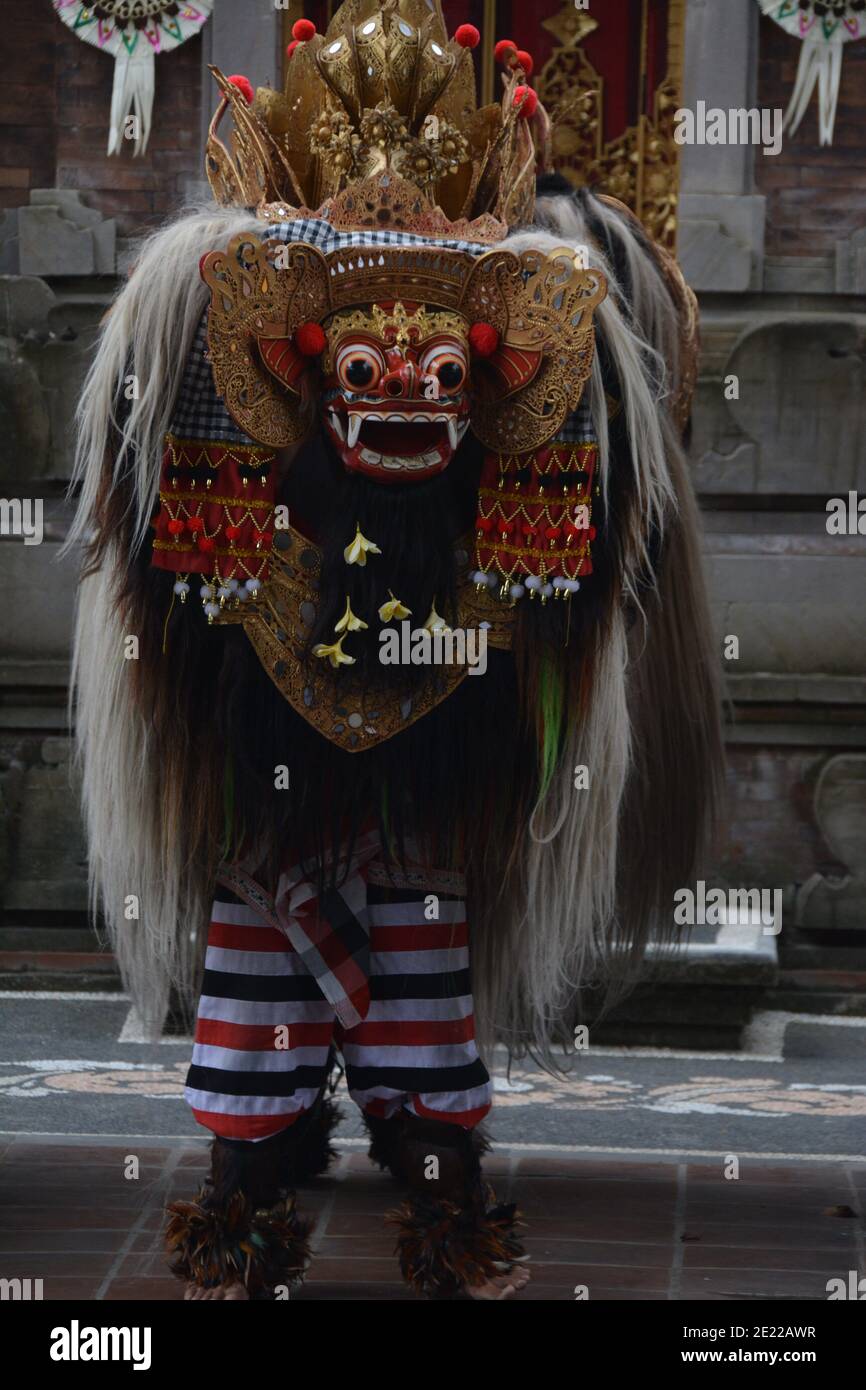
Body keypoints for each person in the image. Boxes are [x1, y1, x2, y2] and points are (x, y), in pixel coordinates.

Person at [68, 1, 722, 1301]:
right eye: (361, 360)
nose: (402, 390)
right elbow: (149, 523)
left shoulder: (558, 370)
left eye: (438, 363)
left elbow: (581, 556)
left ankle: (431, 1165)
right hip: (272, 680)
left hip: (434, 688)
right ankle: (258, 1170)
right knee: (262, 928)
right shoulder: (197, 338)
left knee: (417, 932)